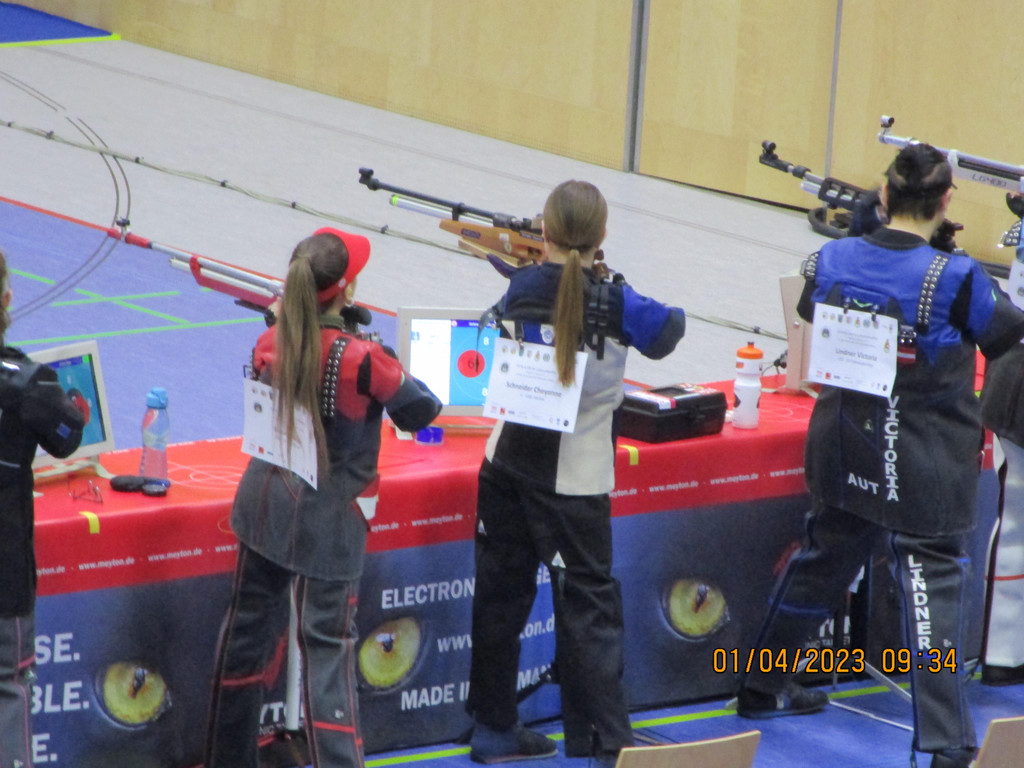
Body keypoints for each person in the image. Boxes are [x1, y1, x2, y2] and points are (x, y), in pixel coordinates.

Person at [734, 144, 1024, 768]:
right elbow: (1006, 333)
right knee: (932, 594)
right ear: (946, 200)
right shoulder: (956, 276)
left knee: (821, 562)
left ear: (884, 196)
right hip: (926, 460)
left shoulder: (830, 257)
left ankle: (761, 686)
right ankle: (947, 744)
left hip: (848, 444)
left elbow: (810, 306)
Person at [465, 180, 686, 766]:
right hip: (575, 482)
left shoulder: (520, 285)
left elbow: (535, 287)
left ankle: (492, 727)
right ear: (602, 235)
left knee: (499, 600)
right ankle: (607, 745)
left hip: (504, 467)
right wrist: (616, 286)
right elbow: (670, 329)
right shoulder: (616, 302)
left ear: (544, 231)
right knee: (590, 615)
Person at [204, 228, 442, 768]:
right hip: (329, 522)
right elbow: (421, 411)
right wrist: (380, 351)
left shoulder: (270, 341)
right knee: (327, 649)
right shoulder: (365, 359)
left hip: (264, 505)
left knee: (243, 635)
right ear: (347, 290)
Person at [0, 247, 85, 768]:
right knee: (7, 688)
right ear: (8, 299)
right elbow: (68, 436)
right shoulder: (27, 383)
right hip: (4, 578)